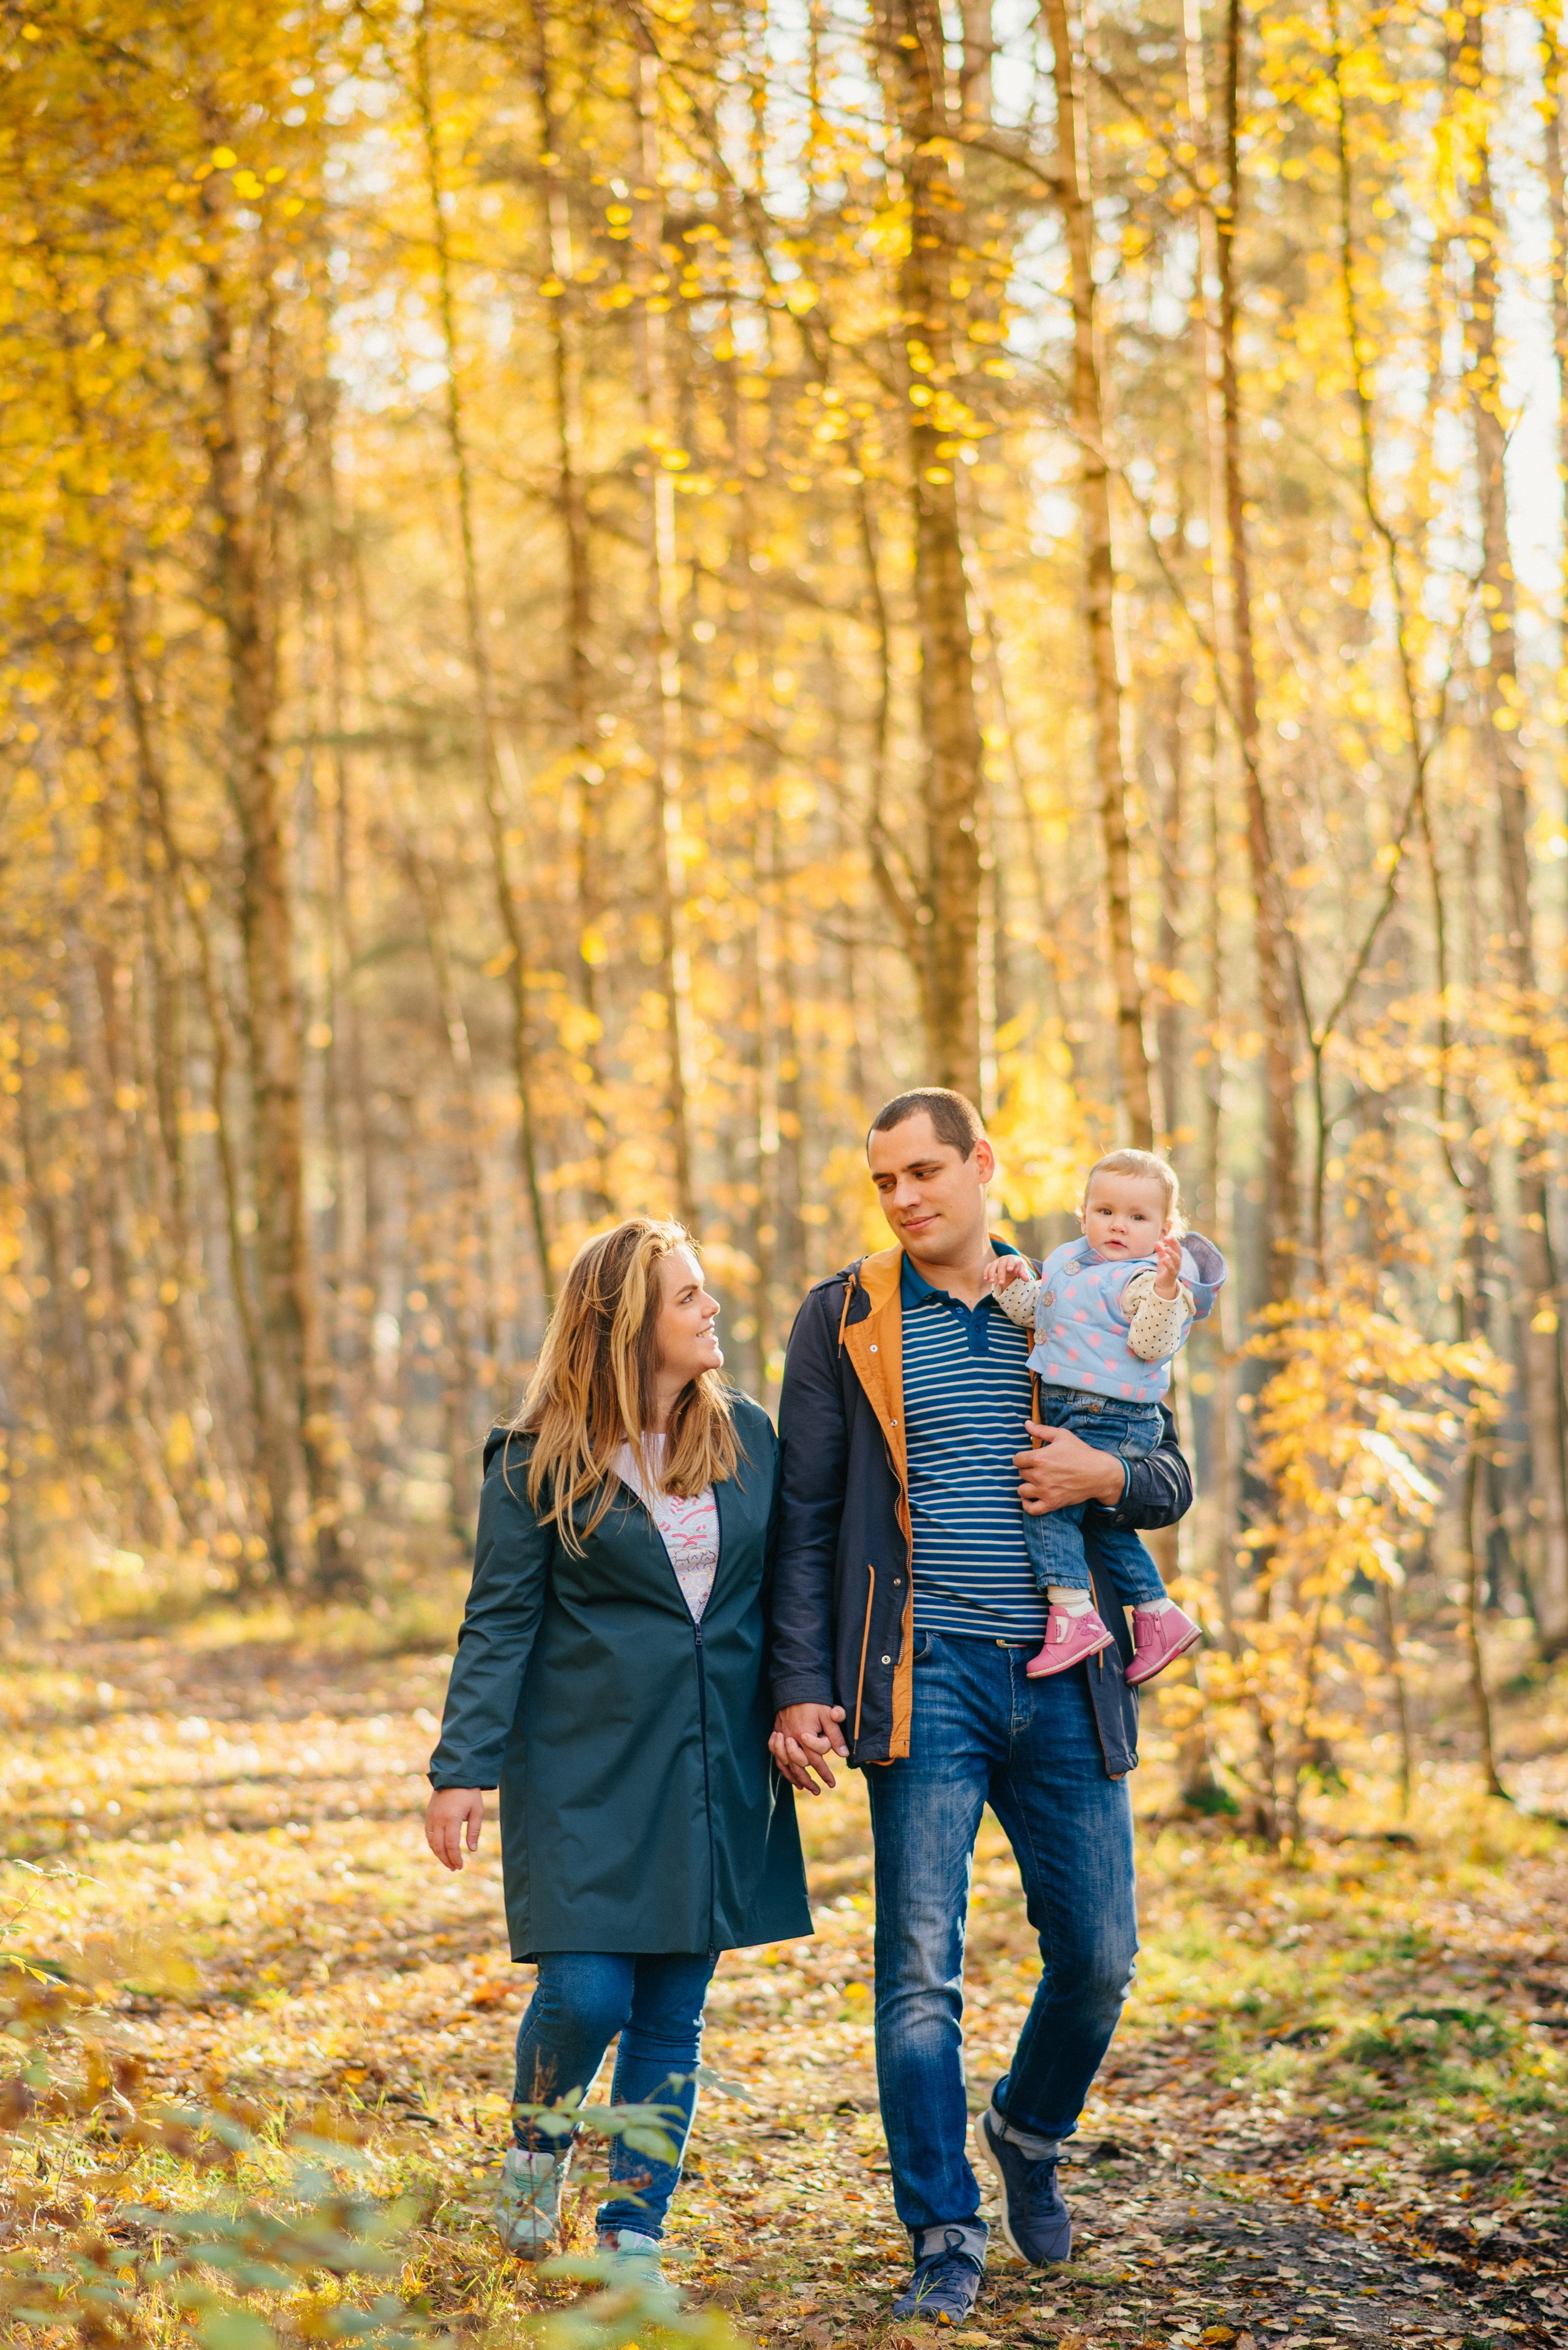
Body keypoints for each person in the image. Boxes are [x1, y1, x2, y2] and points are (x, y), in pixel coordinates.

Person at [768, 1090, 1193, 2325]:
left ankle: (1028, 2124)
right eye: (883, 1182)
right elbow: (803, 1516)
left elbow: (1168, 1471)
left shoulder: (1080, 1295)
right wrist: (801, 1680)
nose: (904, 1199)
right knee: (915, 1970)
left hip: (1069, 1677)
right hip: (924, 1675)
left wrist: (1104, 1471)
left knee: (1098, 1958)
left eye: (923, 1172)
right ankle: (941, 2230)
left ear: (981, 1164)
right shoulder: (842, 1316)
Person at [424, 1217, 810, 2269]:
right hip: (582, 1769)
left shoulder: (750, 1437)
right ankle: (539, 2146)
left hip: (710, 1762)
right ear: (631, 1324)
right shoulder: (532, 1461)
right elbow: (498, 1622)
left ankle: (633, 2226)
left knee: (671, 2011)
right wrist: (460, 1768)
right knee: (589, 1990)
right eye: (689, 1297)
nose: (711, 1310)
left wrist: (798, 1698)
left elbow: (786, 1592)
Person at [982, 1147, 1223, 1683]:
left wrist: (1165, 1289)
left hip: (1110, 1414)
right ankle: (1158, 1614)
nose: (1119, 1227)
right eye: (1106, 1212)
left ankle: (1072, 1613)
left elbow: (1152, 1343)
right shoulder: (1074, 1265)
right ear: (1084, 1213)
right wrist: (1012, 1280)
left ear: (1165, 1230)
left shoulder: (1145, 1280)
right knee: (1098, 1520)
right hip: (1082, 1409)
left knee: (1048, 1501)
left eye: (1138, 1218)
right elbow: (1034, 1313)